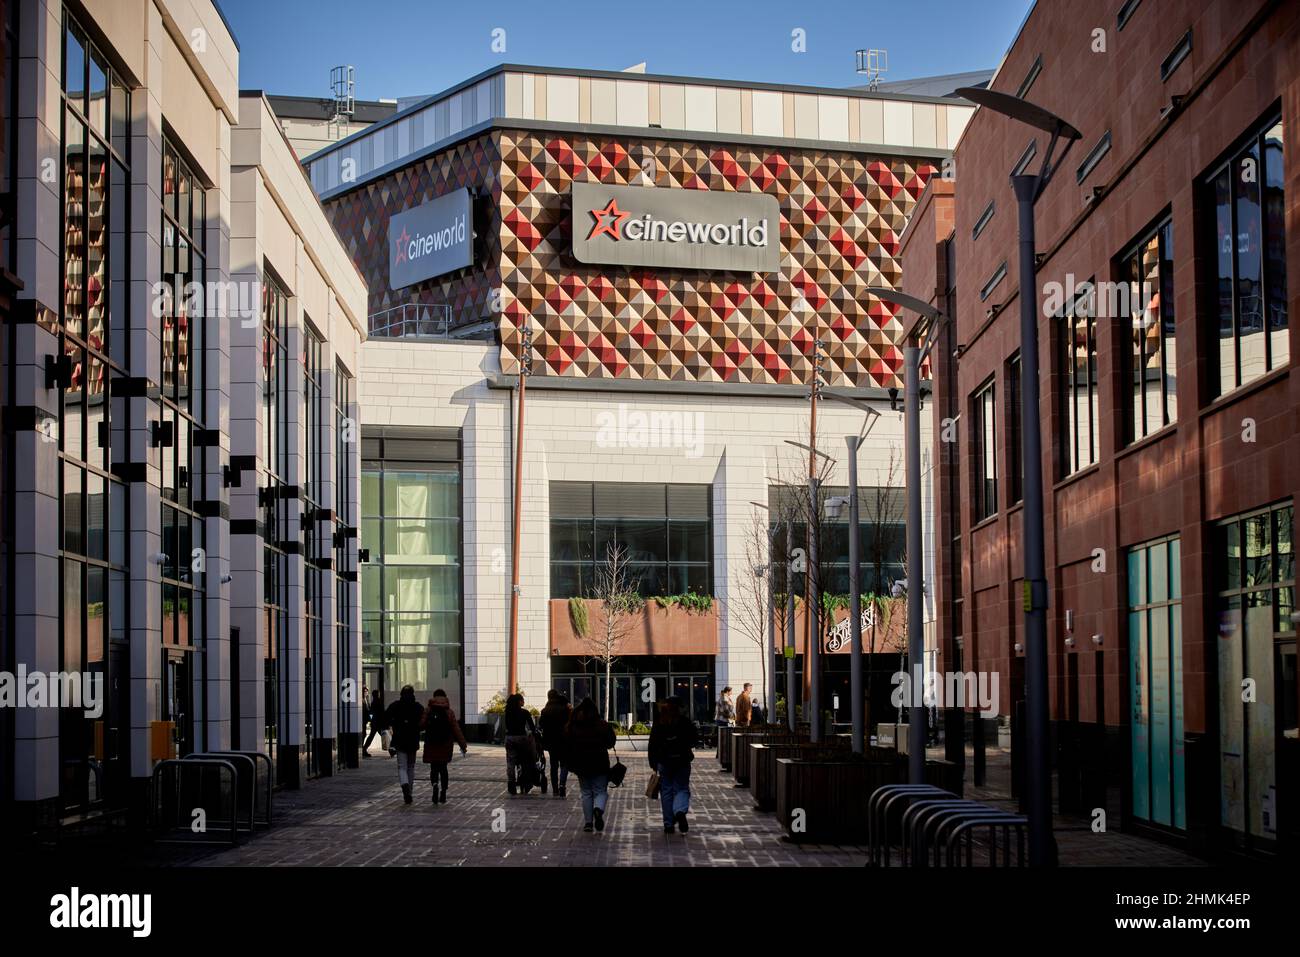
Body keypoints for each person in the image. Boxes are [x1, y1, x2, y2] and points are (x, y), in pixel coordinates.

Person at [565, 697, 615, 833]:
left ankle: (588, 823)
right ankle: (598, 809)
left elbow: (568, 745)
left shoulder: (574, 725)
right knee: (600, 791)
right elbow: (611, 742)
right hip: (600, 763)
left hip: (581, 764)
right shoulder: (601, 724)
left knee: (586, 793)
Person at [649, 695, 697, 834]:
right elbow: (693, 739)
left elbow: (653, 743)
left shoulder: (660, 722)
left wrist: (653, 761)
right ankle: (680, 811)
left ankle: (668, 823)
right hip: (682, 760)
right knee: (681, 788)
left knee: (666, 791)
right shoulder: (684, 722)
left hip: (664, 761)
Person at [422, 689, 468, 804]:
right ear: (445, 697)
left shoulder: (428, 710)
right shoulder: (449, 712)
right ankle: (443, 791)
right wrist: (463, 745)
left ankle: (435, 785)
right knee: (443, 768)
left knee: (434, 768)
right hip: (445, 744)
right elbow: (456, 729)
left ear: (434, 697)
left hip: (431, 743)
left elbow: (421, 725)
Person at [384, 686, 425, 804]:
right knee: (411, 766)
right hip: (413, 740)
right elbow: (423, 722)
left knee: (402, 766)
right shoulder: (418, 707)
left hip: (400, 740)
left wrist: (391, 726)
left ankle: (405, 787)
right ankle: (410, 791)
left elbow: (385, 718)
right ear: (413, 694)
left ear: (401, 694)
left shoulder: (395, 706)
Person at [503, 693, 541, 795]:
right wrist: (533, 734)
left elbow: (507, 726)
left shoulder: (508, 712)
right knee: (525, 760)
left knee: (511, 762)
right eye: (522, 700)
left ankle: (511, 783)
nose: (523, 702)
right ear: (519, 701)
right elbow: (532, 728)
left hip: (510, 738)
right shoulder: (525, 712)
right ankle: (526, 780)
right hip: (521, 739)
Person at [538, 690, 572, 797]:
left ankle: (555, 789)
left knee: (553, 766)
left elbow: (541, 725)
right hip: (564, 740)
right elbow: (570, 722)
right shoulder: (565, 709)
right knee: (564, 764)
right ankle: (562, 785)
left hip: (551, 741)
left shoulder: (545, 710)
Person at [362, 689, 386, 758]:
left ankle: (364, 749)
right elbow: (374, 713)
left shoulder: (373, 702)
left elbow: (371, 713)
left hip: (376, 723)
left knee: (374, 736)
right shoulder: (377, 702)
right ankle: (364, 749)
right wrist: (371, 720)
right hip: (377, 723)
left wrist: (371, 720)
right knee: (384, 736)